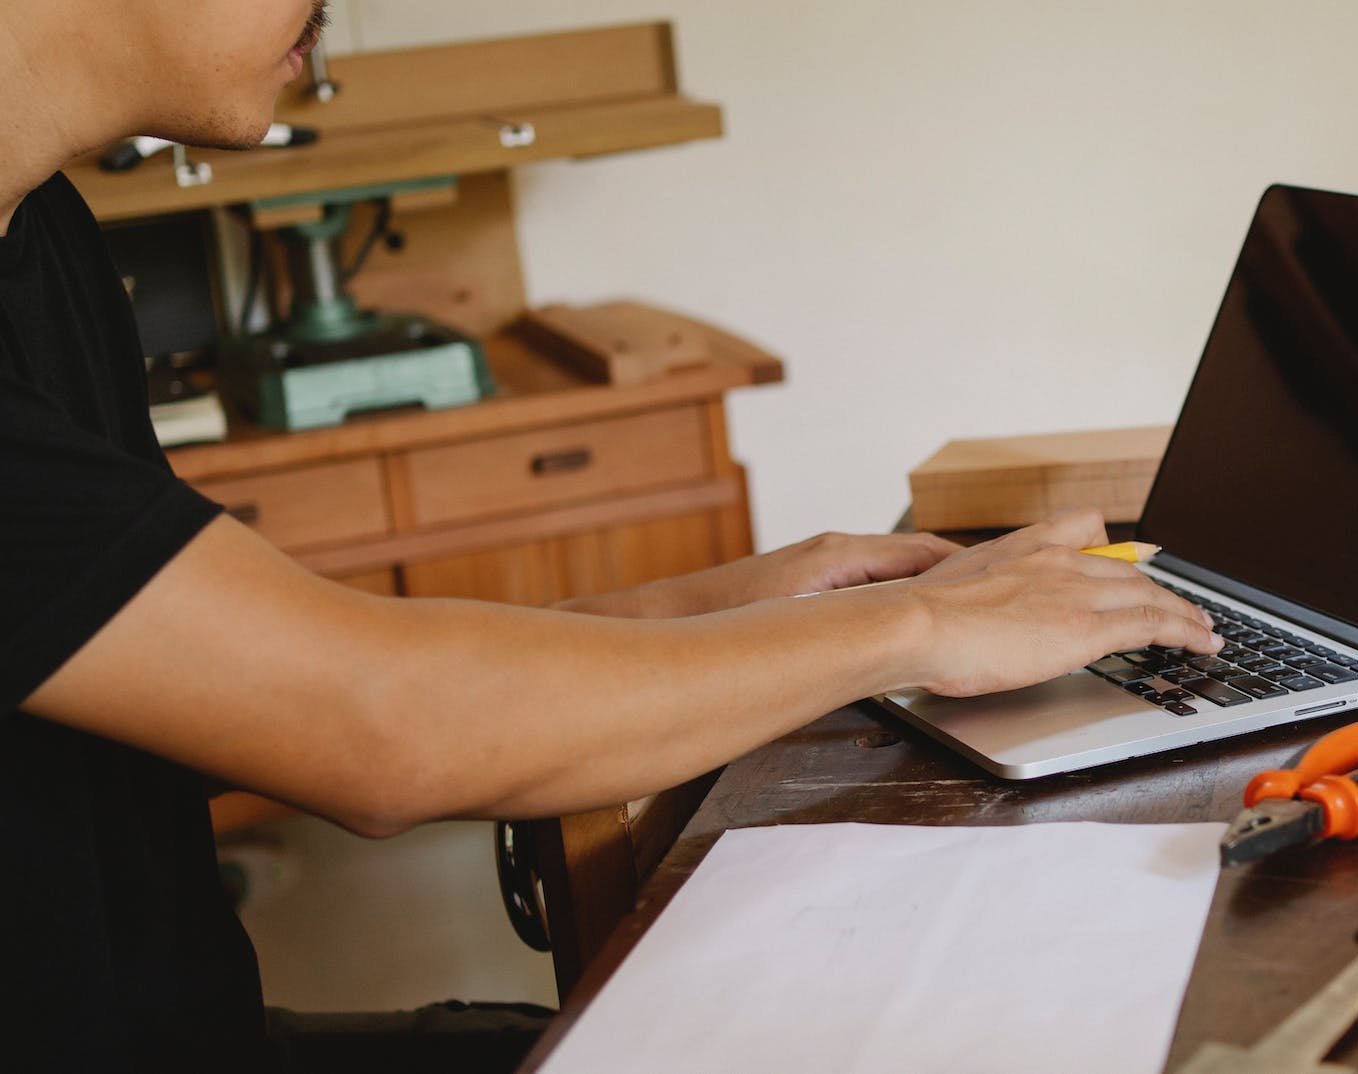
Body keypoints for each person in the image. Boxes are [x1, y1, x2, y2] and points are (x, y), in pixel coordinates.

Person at [0, 1, 1221, 1069]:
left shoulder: (36, 234)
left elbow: (241, 680)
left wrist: (727, 609)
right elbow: (376, 727)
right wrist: (910, 628)